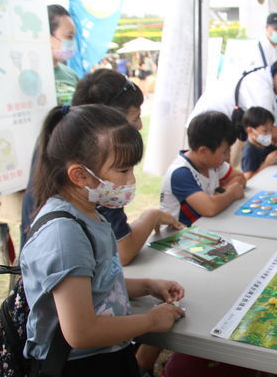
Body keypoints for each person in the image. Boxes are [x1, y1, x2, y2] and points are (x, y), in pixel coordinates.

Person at [20, 104, 185, 376]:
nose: (132, 179)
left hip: (107, 353)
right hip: (80, 366)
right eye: (123, 171)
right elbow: (81, 332)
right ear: (80, 175)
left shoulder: (88, 213)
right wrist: (150, 321)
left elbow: (97, 284)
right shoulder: (65, 235)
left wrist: (146, 285)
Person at [21, 69, 183, 266]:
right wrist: (152, 215)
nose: (140, 126)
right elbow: (123, 251)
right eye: (135, 118)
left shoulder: (63, 142)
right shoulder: (95, 183)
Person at [188, 57, 277, 168]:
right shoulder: (261, 88)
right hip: (207, 127)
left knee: (223, 171)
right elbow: (269, 132)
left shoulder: (264, 79)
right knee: (209, 170)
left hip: (223, 126)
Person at [160, 111, 246, 226]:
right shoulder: (180, 173)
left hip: (204, 227)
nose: (228, 157)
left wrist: (220, 193)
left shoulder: (212, 163)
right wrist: (231, 194)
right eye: (224, 152)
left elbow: (240, 178)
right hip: (176, 236)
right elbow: (210, 208)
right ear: (203, 151)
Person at [241, 106, 277, 180]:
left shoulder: (264, 144)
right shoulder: (249, 151)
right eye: (265, 131)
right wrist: (266, 164)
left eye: (271, 130)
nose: (269, 134)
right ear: (250, 131)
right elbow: (248, 178)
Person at [48, 4, 79, 105]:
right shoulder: (28, 76)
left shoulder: (71, 75)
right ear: (48, 36)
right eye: (69, 36)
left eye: (73, 37)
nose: (72, 42)